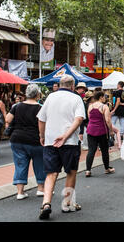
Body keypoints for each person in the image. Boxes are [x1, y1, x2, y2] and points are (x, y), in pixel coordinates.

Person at [36, 74, 86, 220]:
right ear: (72, 86)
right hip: (69, 142)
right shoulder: (76, 98)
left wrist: (42, 136)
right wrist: (65, 136)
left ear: (59, 84)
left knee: (51, 174)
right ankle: (67, 203)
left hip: (51, 141)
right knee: (71, 172)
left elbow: (41, 118)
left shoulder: (50, 97)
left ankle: (46, 203)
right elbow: (79, 119)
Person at [5, 84, 45, 200]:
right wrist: (42, 136)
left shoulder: (16, 106)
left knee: (20, 164)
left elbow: (8, 119)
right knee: (39, 163)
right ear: (37, 94)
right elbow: (42, 124)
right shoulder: (40, 107)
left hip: (17, 139)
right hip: (35, 140)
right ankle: (40, 189)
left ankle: (20, 192)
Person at [85, 91, 116, 177]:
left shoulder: (90, 106)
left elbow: (89, 117)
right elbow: (108, 120)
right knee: (104, 150)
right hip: (101, 131)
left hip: (91, 130)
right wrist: (111, 131)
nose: (105, 98)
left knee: (91, 150)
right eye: (104, 96)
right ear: (101, 97)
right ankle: (107, 168)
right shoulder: (104, 106)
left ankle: (88, 170)